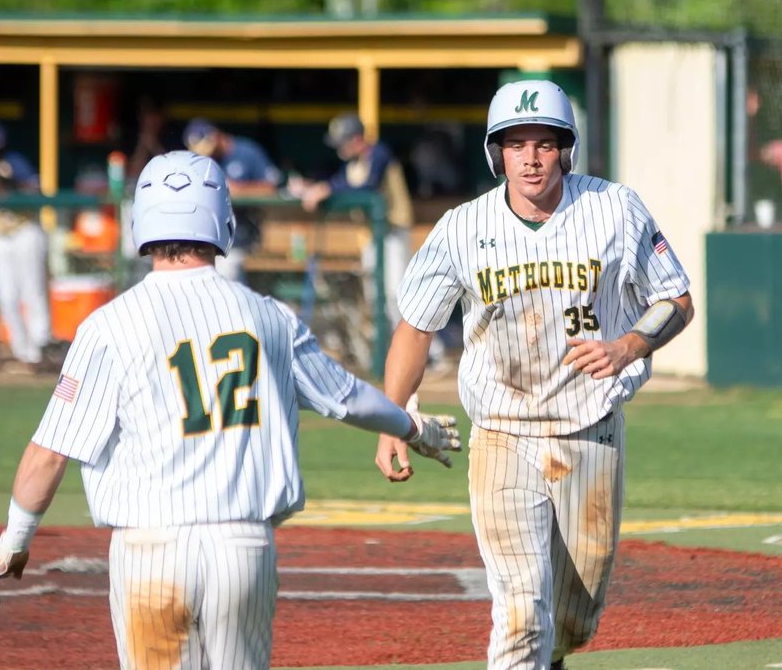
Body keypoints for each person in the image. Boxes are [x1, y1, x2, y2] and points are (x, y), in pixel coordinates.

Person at [0, 151, 461, 668]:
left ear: (142, 221)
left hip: (149, 551)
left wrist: (15, 539)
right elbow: (347, 398)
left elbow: (50, 452)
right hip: (243, 548)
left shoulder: (108, 325)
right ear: (221, 218)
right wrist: (412, 427)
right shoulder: (269, 316)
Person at [375, 79, 695, 670]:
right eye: (516, 144)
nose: (530, 158)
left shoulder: (615, 208)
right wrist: (393, 419)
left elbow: (675, 298)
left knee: (573, 620)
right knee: (522, 613)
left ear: (565, 149)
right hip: (502, 434)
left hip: (591, 431)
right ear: (495, 152)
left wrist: (628, 346)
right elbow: (415, 327)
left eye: (544, 143)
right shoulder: (461, 227)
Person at [289, 112, 446, 369]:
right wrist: (313, 187)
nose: (339, 148)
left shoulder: (379, 153)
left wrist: (326, 189)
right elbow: (340, 183)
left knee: (398, 294)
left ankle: (432, 352)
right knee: (376, 298)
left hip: (393, 234)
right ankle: (398, 353)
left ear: (357, 139)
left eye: (343, 142)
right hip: (374, 237)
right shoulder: (351, 164)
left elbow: (367, 185)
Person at [0, 122, 50, 374]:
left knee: (33, 292)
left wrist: (10, 182)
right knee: (7, 297)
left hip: (25, 230)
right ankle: (21, 352)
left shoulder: (14, 162)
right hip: (0, 237)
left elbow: (36, 189)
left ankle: (40, 350)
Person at [183, 118, 282, 283]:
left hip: (245, 235)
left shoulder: (247, 151)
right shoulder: (202, 162)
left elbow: (271, 188)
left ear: (215, 136)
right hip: (208, 237)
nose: (207, 153)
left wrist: (239, 189)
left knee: (227, 270)